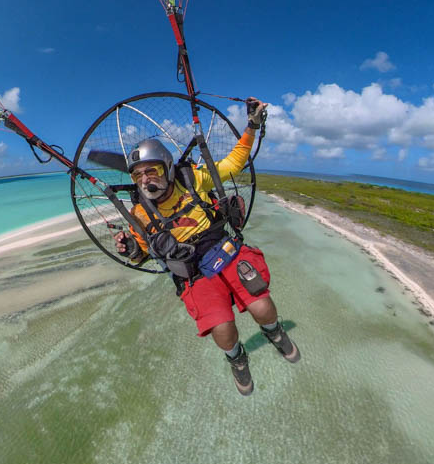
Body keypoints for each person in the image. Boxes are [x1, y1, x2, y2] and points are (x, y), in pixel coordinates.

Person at [113, 98, 299, 395]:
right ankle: (237, 358)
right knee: (223, 330)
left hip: (225, 250)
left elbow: (234, 163)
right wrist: (129, 248)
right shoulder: (140, 213)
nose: (146, 180)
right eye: (138, 175)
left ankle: (274, 332)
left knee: (262, 306)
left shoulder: (193, 179)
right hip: (193, 274)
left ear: (168, 168)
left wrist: (252, 126)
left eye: (152, 171)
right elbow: (144, 253)